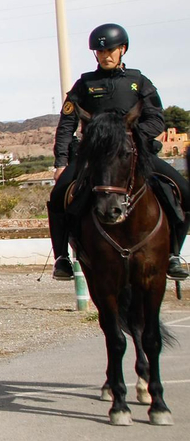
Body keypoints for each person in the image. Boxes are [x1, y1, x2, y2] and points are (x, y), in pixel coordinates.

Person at [49, 23, 188, 281]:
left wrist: (129, 139)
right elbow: (66, 125)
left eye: (111, 50)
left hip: (134, 153)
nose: (106, 55)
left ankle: (174, 255)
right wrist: (61, 162)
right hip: (92, 157)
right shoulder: (84, 84)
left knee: (183, 190)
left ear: (122, 49)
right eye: (100, 52)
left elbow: (157, 120)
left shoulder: (139, 82)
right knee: (58, 195)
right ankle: (62, 259)